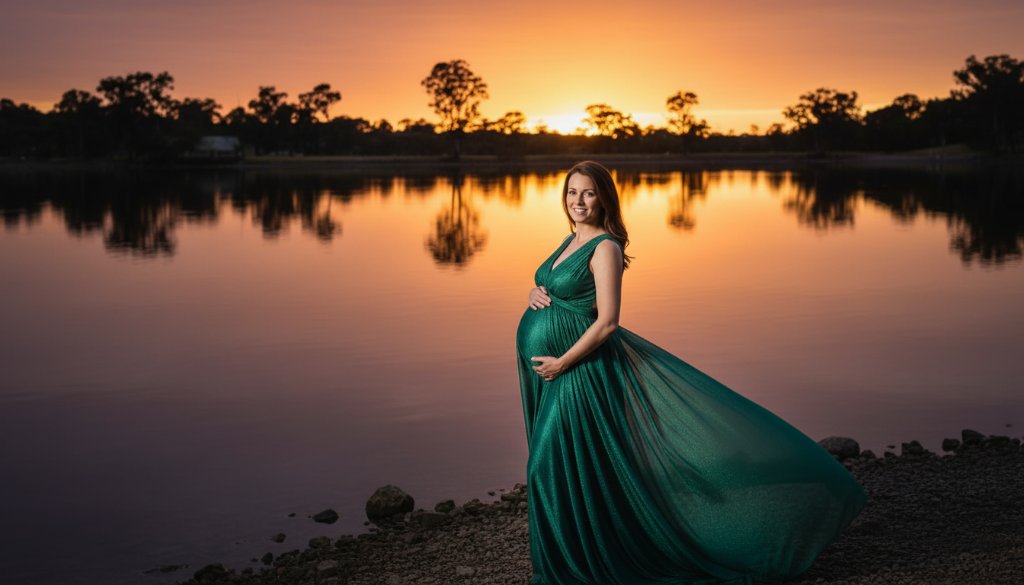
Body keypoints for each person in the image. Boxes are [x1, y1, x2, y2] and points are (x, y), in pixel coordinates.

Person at [515, 160, 867, 585]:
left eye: (588, 193)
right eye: (572, 192)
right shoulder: (570, 240)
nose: (578, 201)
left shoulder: (604, 247)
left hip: (579, 371)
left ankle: (579, 566)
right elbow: (558, 289)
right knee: (571, 468)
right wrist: (538, 289)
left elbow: (607, 321)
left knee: (545, 468)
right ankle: (573, 557)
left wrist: (562, 361)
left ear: (604, 197)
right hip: (553, 371)